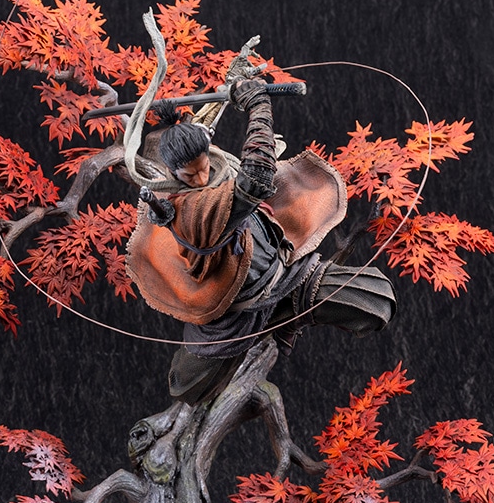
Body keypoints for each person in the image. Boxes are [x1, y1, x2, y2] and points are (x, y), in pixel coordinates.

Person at [125, 78, 396, 405]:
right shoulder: (193, 211)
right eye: (189, 176)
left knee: (376, 299)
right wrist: (258, 105)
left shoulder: (216, 168)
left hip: (286, 273)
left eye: (203, 167)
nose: (201, 178)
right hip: (235, 305)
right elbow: (255, 176)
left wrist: (237, 80)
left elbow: (212, 142)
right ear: (172, 173)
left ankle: (287, 315)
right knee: (189, 388)